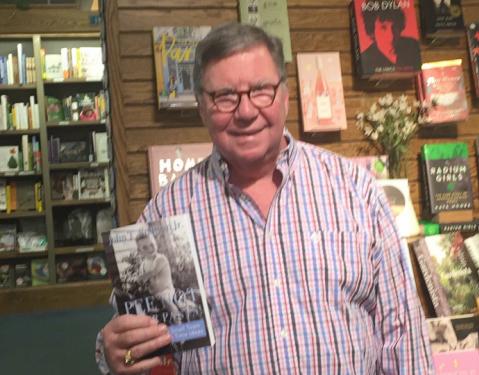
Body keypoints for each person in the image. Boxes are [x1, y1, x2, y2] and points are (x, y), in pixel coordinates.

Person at [97, 22, 434, 374]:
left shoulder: (356, 190)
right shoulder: (165, 214)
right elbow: (133, 345)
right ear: (201, 107)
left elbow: (403, 333)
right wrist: (111, 352)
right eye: (224, 96)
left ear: (285, 95)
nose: (245, 112)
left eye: (260, 90)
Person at [135, 232, 183, 323]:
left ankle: (178, 320)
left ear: (156, 243)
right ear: (139, 251)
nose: (150, 249)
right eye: (145, 247)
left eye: (152, 245)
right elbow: (143, 281)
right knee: (139, 303)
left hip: (166, 290)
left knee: (166, 300)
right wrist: (140, 284)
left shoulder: (160, 258)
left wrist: (139, 278)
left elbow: (153, 272)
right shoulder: (143, 265)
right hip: (153, 294)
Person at [360, 4, 420, 73]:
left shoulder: (413, 45)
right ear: (372, 30)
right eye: (383, 28)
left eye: (394, 27)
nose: (391, 36)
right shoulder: (366, 60)